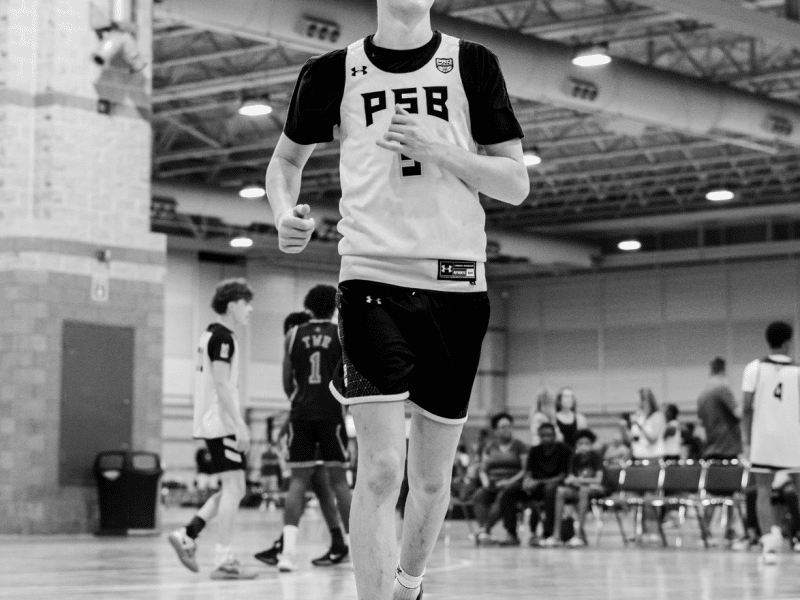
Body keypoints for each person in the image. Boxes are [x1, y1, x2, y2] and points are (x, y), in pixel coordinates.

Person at [266, 0, 528, 596]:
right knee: (382, 467)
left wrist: (443, 151)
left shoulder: (473, 63)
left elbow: (516, 183)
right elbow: (285, 161)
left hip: (457, 286)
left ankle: (408, 586)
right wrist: (283, 211)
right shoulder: (333, 72)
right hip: (371, 280)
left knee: (430, 480)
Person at [168, 278, 257, 579]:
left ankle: (188, 534)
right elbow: (221, 384)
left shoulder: (210, 334)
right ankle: (223, 559)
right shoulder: (223, 338)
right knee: (235, 488)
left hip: (213, 422)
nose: (250, 309)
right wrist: (240, 424)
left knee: (233, 488)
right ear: (232, 306)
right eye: (246, 303)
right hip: (221, 423)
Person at [255, 308, 352, 569]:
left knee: (306, 482)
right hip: (330, 415)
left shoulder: (296, 337)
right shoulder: (335, 335)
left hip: (303, 415)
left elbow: (289, 385)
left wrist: (294, 414)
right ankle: (341, 543)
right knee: (325, 483)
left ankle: (287, 549)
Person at [741, 321, 800, 565]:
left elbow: (746, 407)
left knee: (763, 491)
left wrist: (747, 441)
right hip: (793, 438)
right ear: (788, 342)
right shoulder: (798, 370)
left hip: (763, 439)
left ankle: (768, 548)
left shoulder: (753, 368)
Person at [498, 423, 572, 547]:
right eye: (543, 435)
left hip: (554, 485)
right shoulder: (534, 450)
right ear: (539, 436)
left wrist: (541, 482)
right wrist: (527, 482)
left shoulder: (565, 450)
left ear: (554, 435)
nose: (546, 438)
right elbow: (528, 472)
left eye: (549, 435)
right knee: (510, 491)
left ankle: (548, 533)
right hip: (535, 486)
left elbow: (564, 475)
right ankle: (511, 533)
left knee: (550, 490)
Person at [471, 413, 528, 545]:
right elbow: (482, 469)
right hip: (493, 483)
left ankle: (484, 530)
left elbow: (525, 470)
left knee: (503, 496)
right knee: (478, 495)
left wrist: (509, 481)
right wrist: (486, 482)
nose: (507, 429)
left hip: (513, 484)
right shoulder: (490, 446)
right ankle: (485, 531)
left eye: (509, 426)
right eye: (503, 427)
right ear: (496, 430)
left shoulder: (520, 446)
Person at [552, 429, 603, 547]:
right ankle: (556, 535)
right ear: (576, 445)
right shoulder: (574, 458)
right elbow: (570, 478)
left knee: (583, 491)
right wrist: (574, 481)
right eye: (580, 443)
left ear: (591, 445)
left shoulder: (596, 457)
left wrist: (579, 480)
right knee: (560, 491)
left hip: (595, 489)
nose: (583, 446)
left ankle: (578, 535)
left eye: (587, 443)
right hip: (578, 489)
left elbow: (598, 480)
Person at [697, 357, 742, 460]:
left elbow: (701, 422)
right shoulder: (722, 390)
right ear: (723, 370)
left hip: (710, 450)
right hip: (726, 450)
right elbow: (738, 413)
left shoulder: (702, 396)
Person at [629, 388, 666, 460]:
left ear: (645, 400)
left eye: (638, 399)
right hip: (638, 456)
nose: (636, 402)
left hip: (653, 457)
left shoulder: (657, 416)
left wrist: (639, 425)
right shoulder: (639, 416)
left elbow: (653, 439)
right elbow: (632, 439)